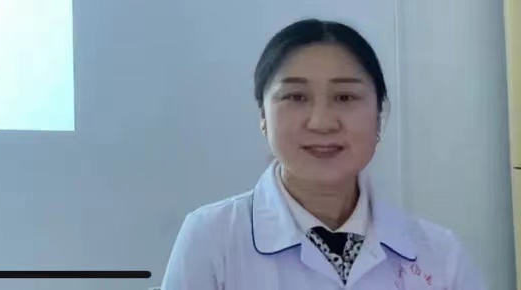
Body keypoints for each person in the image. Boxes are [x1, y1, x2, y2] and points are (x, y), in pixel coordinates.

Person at [159, 18, 486, 289]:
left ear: (380, 115)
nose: (322, 122)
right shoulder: (212, 239)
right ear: (263, 117)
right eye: (296, 97)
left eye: (345, 97)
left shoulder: (440, 254)